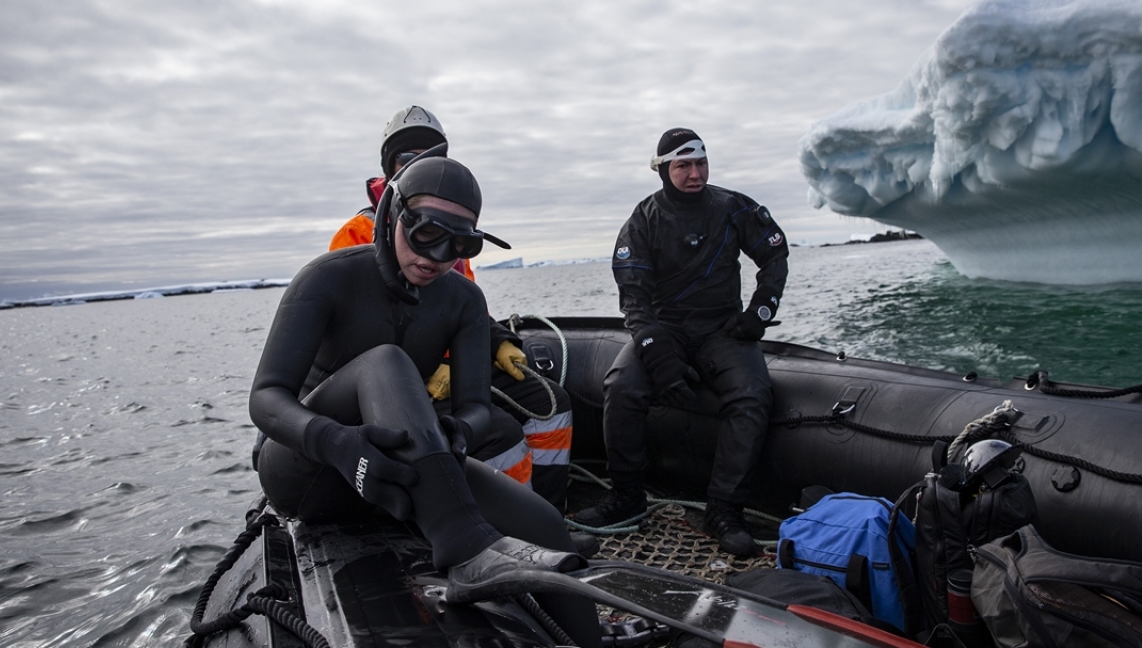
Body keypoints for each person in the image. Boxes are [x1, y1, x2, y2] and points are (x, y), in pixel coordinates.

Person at [250, 155, 600, 645]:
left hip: (395, 468)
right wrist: (335, 441)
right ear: (393, 215)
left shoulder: (462, 300)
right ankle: (465, 548)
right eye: (427, 234)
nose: (438, 257)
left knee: (544, 525)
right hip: (308, 468)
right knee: (385, 361)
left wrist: (462, 432)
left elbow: (476, 406)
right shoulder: (327, 279)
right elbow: (265, 399)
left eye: (459, 244)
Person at [329, 106, 575, 514]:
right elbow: (355, 336)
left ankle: (551, 513)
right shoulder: (355, 235)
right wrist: (429, 366)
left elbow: (465, 305)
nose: (420, 165)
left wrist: (500, 342)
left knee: (551, 401)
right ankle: (509, 532)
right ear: (390, 167)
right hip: (399, 381)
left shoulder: (454, 235)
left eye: (431, 157)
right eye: (407, 159)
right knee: (501, 434)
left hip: (452, 363)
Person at [572, 128, 789, 557]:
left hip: (721, 330)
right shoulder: (644, 218)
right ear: (663, 170)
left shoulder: (733, 207)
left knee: (752, 394)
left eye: (701, 163)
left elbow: (774, 255)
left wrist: (758, 314)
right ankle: (627, 496)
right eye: (683, 165)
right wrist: (657, 352)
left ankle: (725, 509)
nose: (695, 173)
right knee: (621, 386)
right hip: (665, 326)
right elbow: (633, 298)